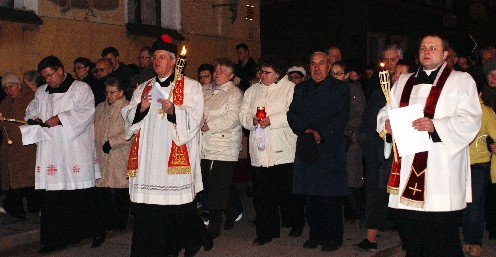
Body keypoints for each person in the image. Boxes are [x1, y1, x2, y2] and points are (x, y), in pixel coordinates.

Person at [377, 34, 481, 257]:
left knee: (443, 238)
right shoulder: (404, 81)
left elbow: (471, 119)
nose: (427, 51)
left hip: (441, 169)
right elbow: (387, 110)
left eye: (433, 47)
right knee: (412, 235)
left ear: (445, 55)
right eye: (423, 47)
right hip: (408, 170)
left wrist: (435, 126)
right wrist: (386, 124)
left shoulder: (462, 81)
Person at [121, 34, 211, 257]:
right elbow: (128, 117)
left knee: (174, 211)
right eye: (154, 57)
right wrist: (140, 108)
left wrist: (174, 111)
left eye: (161, 57)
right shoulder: (143, 87)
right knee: (148, 213)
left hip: (173, 164)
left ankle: (178, 246)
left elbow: (196, 117)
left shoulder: (191, 87)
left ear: (173, 61)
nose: (156, 61)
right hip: (148, 164)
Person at [25, 56, 101, 253]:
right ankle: (53, 241)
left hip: (74, 149)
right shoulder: (42, 92)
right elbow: (32, 110)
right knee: (53, 199)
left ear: (60, 70)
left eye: (50, 75)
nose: (48, 80)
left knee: (80, 194)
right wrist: (33, 119)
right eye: (45, 77)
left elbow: (87, 113)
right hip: (51, 150)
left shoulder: (80, 89)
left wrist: (60, 118)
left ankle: (92, 231)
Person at [288, 52, 350, 252]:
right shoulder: (301, 88)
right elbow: (293, 114)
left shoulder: (340, 88)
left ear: (328, 65)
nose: (316, 68)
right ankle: (316, 234)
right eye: (313, 64)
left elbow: (342, 117)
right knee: (311, 195)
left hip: (329, 147)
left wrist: (321, 133)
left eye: (321, 63)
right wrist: (306, 130)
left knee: (329, 196)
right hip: (307, 145)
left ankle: (333, 236)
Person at [240, 57, 304, 245]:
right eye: (261, 72)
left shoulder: (290, 89)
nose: (262, 76)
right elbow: (242, 114)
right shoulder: (252, 91)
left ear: (278, 74)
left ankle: (296, 222)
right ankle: (266, 232)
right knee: (263, 195)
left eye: (267, 72)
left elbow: (293, 114)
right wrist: (251, 120)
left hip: (283, 149)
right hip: (260, 151)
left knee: (288, 192)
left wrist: (272, 120)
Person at [201, 58, 243, 238]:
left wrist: (209, 125)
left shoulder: (234, 93)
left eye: (223, 71)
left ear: (231, 75)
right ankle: (231, 209)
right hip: (204, 145)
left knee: (218, 185)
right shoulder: (204, 90)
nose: (217, 73)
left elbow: (233, 117)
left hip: (224, 146)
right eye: (217, 69)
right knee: (206, 183)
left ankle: (214, 223)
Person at [462, 68, 496, 257]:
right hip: (460, 164)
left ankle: (474, 242)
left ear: (479, 93)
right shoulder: (458, 111)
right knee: (464, 204)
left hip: (479, 164)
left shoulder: (484, 112)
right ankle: (467, 239)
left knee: (475, 205)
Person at [94, 76, 132, 233]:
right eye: (106, 92)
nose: (108, 96)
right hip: (102, 154)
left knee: (119, 190)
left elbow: (131, 132)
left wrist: (112, 142)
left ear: (121, 92)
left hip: (120, 155)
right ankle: (107, 221)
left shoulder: (128, 108)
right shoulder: (100, 108)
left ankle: (119, 222)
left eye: (112, 92)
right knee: (104, 190)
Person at [330, 61, 366, 226]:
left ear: (345, 75)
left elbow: (358, 115)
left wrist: (348, 133)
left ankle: (361, 214)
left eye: (339, 73)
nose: (335, 76)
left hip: (350, 141)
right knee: (338, 180)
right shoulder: (329, 90)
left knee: (352, 180)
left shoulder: (353, 90)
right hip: (334, 140)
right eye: (333, 73)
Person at [0, 72, 39, 223]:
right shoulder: (5, 103)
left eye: (11, 86)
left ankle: (31, 207)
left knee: (28, 181)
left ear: (19, 86)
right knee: (15, 182)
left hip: (26, 147)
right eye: (5, 88)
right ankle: (18, 209)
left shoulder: (30, 99)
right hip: (10, 148)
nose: (8, 90)